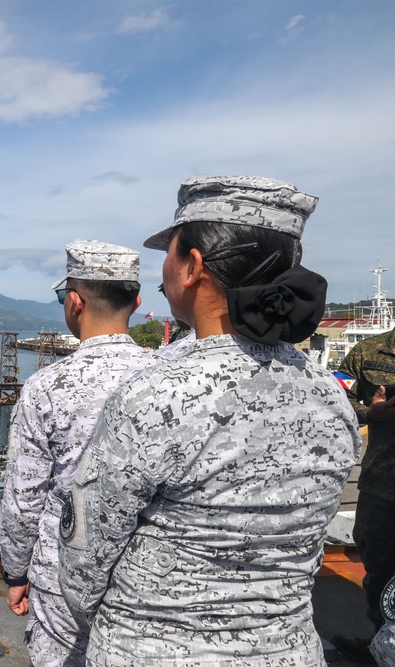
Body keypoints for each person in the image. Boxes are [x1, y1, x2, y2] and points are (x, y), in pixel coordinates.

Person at [59, 176, 362, 666]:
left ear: (193, 267)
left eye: (170, 253)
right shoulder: (330, 393)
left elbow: (84, 558)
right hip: (287, 650)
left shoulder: (154, 393)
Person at [1, 240, 157, 666]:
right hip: (146, 575)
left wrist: (16, 571)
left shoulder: (46, 387)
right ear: (136, 301)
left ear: (74, 301)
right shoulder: (168, 377)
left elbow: (23, 497)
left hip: (62, 571)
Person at [334, 323, 395, 662]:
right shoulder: (366, 352)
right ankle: (380, 645)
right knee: (378, 568)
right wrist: (369, 413)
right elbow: (334, 392)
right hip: (383, 483)